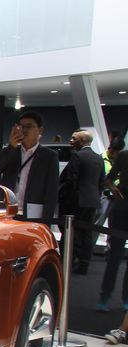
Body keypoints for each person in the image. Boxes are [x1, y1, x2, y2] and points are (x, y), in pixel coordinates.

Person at [0, 111, 59, 224]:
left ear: (40, 130)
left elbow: (51, 192)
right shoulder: (11, 151)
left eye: (29, 126)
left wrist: (46, 222)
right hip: (8, 212)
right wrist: (11, 146)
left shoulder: (49, 156)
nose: (24, 130)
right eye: (21, 127)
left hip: (34, 215)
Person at [59, 129, 105, 273]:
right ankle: (84, 263)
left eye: (74, 138)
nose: (70, 141)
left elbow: (71, 180)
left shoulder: (77, 156)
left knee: (71, 231)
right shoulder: (99, 158)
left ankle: (69, 261)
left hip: (76, 201)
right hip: (92, 201)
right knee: (87, 232)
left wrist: (65, 199)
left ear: (82, 141)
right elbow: (101, 181)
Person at [98, 139, 128, 311]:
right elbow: (108, 179)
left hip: (121, 209)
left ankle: (126, 298)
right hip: (121, 209)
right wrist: (114, 189)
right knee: (114, 257)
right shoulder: (124, 156)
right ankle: (105, 296)